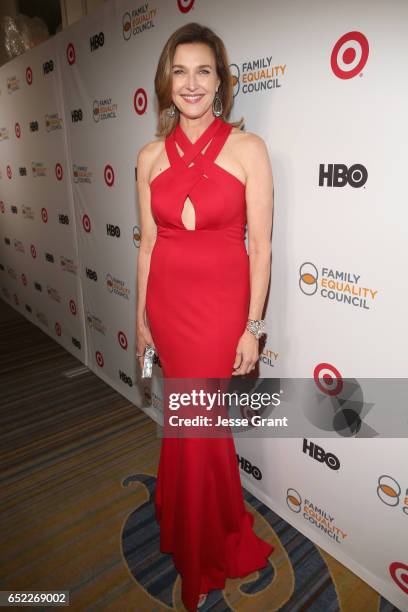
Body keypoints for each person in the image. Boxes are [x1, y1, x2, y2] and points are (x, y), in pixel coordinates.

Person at [136, 22, 274, 612]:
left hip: (220, 313)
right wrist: (141, 317)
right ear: (167, 82)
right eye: (180, 71)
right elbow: (145, 244)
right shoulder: (147, 157)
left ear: (221, 83)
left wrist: (251, 327)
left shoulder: (248, 149)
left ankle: (204, 546)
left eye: (204, 71)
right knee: (188, 425)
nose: (191, 83)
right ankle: (188, 524)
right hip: (166, 304)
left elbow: (262, 247)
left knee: (202, 428)